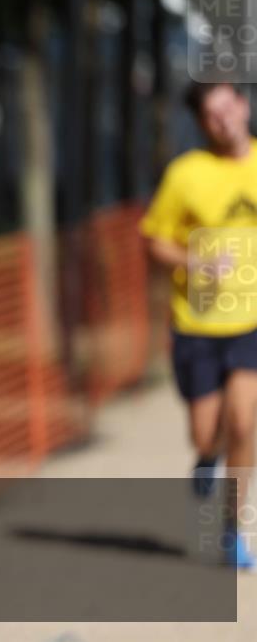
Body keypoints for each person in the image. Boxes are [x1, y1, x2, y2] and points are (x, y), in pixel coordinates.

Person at [140, 81, 257, 569]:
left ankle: (233, 531)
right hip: (196, 326)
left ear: (245, 106)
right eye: (212, 114)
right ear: (202, 122)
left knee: (245, 421)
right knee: (206, 431)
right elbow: (153, 241)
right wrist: (195, 261)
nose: (224, 120)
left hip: (250, 322)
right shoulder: (186, 174)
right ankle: (207, 455)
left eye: (229, 108)